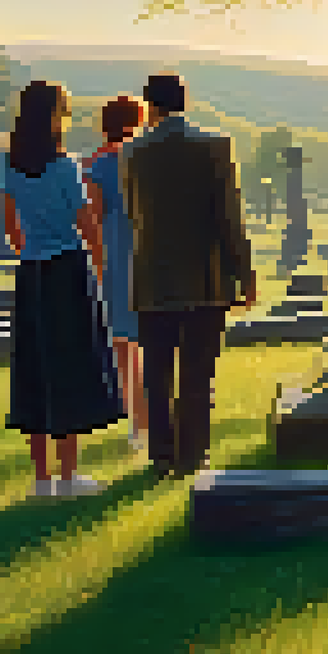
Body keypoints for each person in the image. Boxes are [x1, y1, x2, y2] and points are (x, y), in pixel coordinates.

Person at [118, 73, 256, 479]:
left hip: (153, 275)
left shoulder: (132, 152)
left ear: (149, 106)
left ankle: (162, 454)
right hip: (204, 275)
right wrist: (243, 272)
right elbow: (228, 216)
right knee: (198, 372)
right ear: (185, 101)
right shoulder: (215, 146)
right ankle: (193, 454)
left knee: (156, 372)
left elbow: (132, 211)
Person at [1, 80, 123, 498]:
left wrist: (32, 244)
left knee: (34, 369)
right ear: (53, 116)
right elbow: (86, 223)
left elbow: (12, 230)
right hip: (67, 270)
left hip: (31, 271)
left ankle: (41, 480)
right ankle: (69, 477)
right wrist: (103, 264)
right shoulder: (65, 165)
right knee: (70, 366)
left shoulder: (9, 164)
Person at [82, 95, 150, 451]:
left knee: (125, 346)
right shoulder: (150, 158)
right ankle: (161, 417)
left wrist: (99, 265)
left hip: (116, 259)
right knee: (158, 340)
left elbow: (93, 220)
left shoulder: (97, 165)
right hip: (153, 257)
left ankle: (139, 426)